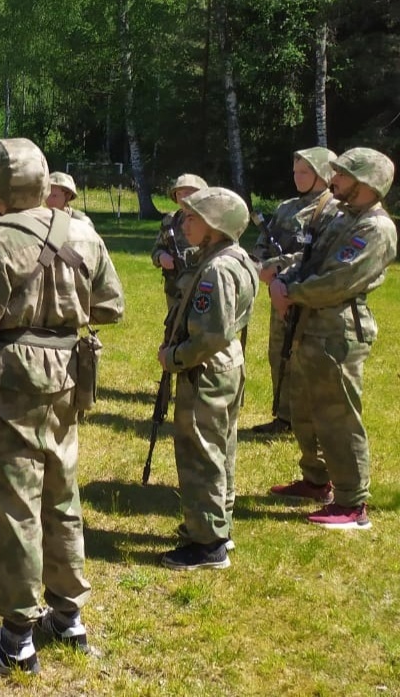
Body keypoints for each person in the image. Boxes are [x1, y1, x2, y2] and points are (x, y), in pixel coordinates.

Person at [0, 138, 123, 674]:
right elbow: (111, 305)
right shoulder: (82, 231)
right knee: (61, 493)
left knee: (13, 506)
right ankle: (69, 617)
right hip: (68, 378)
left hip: (9, 385)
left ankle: (16, 638)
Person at [269, 148, 397, 531]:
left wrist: (290, 292)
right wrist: (282, 275)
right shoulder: (341, 216)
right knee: (305, 408)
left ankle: (352, 503)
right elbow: (309, 258)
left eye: (341, 175)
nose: (333, 179)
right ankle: (317, 480)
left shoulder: (375, 228)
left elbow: (338, 280)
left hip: (337, 330)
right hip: (311, 323)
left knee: (338, 415)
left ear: (366, 183)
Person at [157, 187, 257, 570]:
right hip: (225, 365)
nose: (185, 222)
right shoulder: (235, 258)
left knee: (201, 453)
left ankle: (208, 544)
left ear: (215, 226)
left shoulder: (216, 269)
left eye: (193, 217)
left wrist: (174, 357)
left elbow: (211, 334)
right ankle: (216, 526)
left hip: (206, 369)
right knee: (221, 447)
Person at [249, 147, 337, 435]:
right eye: (296, 172)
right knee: (279, 353)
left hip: (306, 294)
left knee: (304, 358)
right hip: (278, 294)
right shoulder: (288, 207)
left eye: (305, 172)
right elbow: (263, 241)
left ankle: (305, 420)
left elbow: (316, 255)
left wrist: (277, 266)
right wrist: (261, 264)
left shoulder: (333, 211)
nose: (298, 178)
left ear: (324, 174)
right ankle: (283, 416)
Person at [152, 174, 207, 312]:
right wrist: (161, 257)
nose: (182, 198)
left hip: (202, 286)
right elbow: (157, 249)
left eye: (188, 193)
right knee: (175, 327)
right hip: (174, 288)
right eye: (179, 194)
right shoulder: (170, 220)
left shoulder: (210, 222)